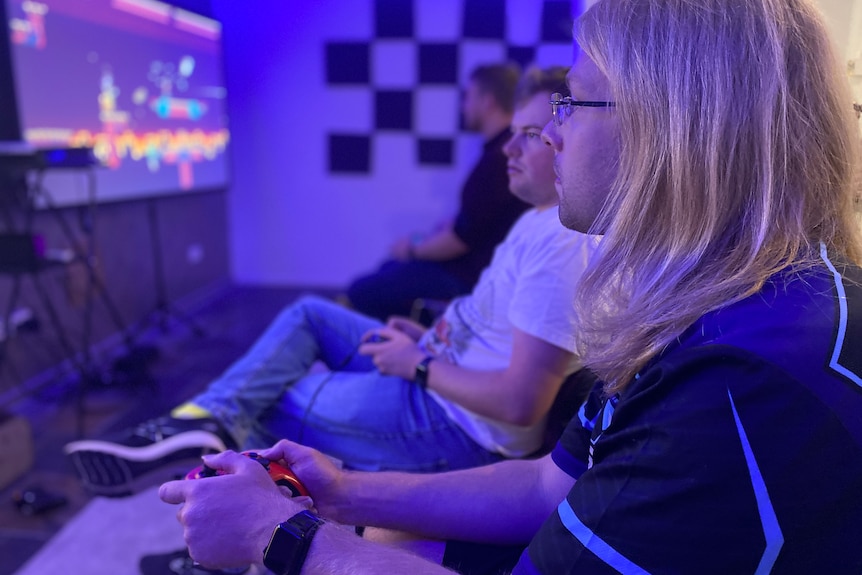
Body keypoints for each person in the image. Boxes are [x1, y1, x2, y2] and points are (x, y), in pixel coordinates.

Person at [158, 0, 862, 573]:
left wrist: (278, 535)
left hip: (463, 416)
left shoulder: (737, 376)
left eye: (573, 104)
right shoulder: (719, 304)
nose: (549, 137)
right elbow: (545, 484)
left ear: (674, 129)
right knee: (379, 528)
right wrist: (340, 492)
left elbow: (522, 416)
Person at [65, 66, 599, 497]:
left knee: (261, 398)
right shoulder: (537, 220)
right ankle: (199, 424)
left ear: (566, 136)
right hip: (441, 369)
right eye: (517, 134)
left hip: (456, 426)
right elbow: (494, 333)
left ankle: (215, 522)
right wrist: (430, 339)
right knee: (307, 315)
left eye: (530, 135)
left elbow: (519, 405)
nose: (510, 150)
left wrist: (420, 364)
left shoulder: (562, 242)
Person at [346, 62, 530, 323]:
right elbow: (471, 225)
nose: (462, 106)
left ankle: (396, 355)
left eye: (467, 97)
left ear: (487, 102)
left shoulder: (498, 159)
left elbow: (457, 241)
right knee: (388, 270)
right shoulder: (498, 154)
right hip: (476, 271)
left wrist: (411, 249)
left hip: (472, 279)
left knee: (363, 290)